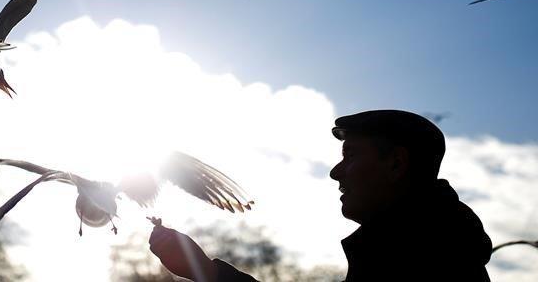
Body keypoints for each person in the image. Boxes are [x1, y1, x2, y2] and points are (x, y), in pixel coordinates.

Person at [148, 110, 492, 281]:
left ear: (397, 163)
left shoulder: (424, 255)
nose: (335, 172)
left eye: (351, 156)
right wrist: (207, 272)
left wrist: (208, 274)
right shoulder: (430, 241)